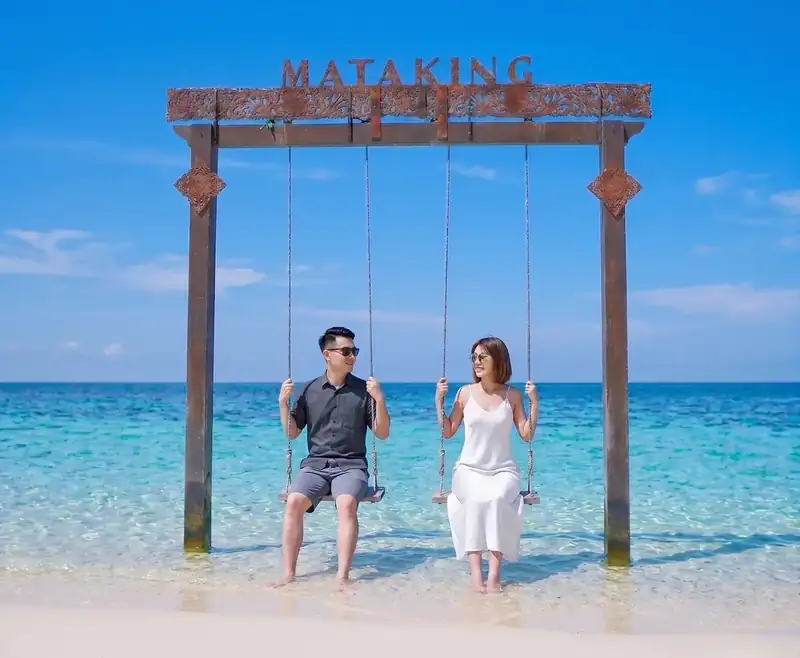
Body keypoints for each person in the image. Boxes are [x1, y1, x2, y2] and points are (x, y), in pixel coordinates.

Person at [274, 326, 391, 588]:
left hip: (351, 467)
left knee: (347, 503)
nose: (352, 357)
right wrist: (283, 404)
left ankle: (342, 577)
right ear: (328, 354)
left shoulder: (365, 390)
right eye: (346, 351)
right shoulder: (309, 390)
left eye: (354, 351)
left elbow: (382, 433)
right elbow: (292, 433)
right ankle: (289, 573)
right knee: (293, 502)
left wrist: (380, 400)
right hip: (315, 466)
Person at [435, 336, 538, 594]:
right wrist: (439, 401)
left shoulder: (512, 395)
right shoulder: (464, 393)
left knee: (495, 499)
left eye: (483, 357)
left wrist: (534, 403)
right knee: (478, 499)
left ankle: (493, 575)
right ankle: (475, 575)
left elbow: (526, 434)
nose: (477, 362)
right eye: (474, 357)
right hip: (469, 469)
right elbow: (448, 431)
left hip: (503, 471)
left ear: (498, 360)